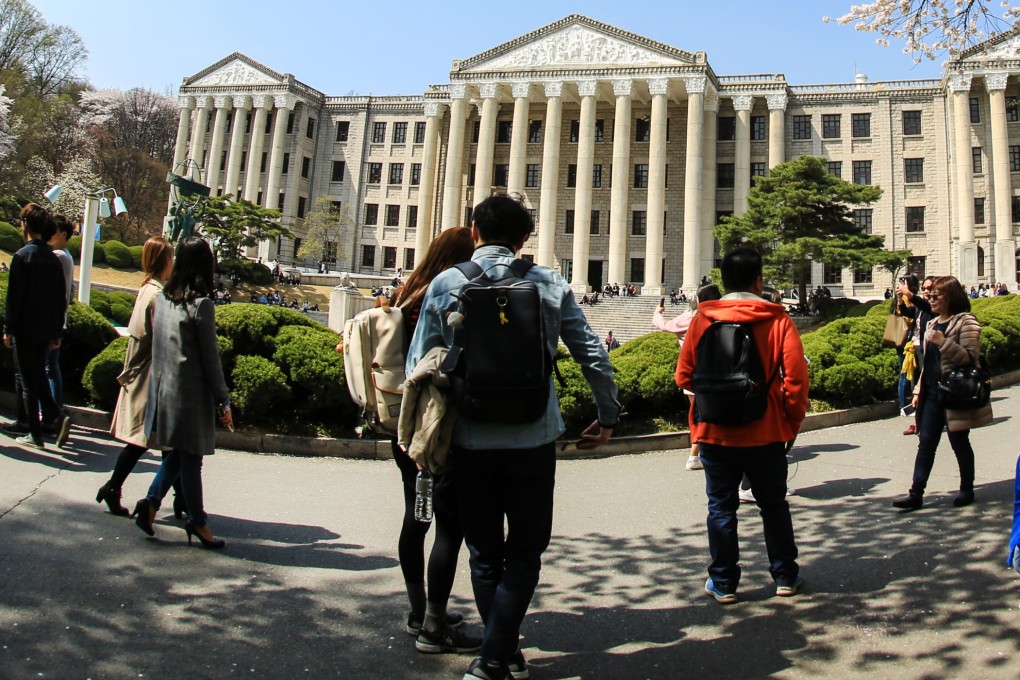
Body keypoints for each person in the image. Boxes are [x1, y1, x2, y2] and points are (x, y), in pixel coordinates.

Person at [407, 194, 620, 680]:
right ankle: (498, 655)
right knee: (524, 552)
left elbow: (418, 367)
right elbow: (592, 354)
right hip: (532, 438)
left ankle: (497, 654)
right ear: (525, 239)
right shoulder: (547, 282)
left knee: (483, 553)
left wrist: (419, 439)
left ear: (475, 232)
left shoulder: (446, 282)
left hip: (469, 437)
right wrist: (607, 416)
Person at [676, 247, 810, 604]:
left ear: (723, 281)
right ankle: (785, 576)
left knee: (720, 507)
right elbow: (796, 379)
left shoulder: (703, 319)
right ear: (759, 281)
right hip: (765, 430)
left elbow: (683, 375)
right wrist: (790, 423)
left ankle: (723, 582)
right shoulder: (776, 318)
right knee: (774, 506)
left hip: (714, 432)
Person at [387, 227, 477, 653]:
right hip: (435, 424)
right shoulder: (442, 296)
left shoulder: (407, 291)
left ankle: (417, 610)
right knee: (447, 524)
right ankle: (434, 626)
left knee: (415, 517)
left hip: (405, 423)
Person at [133, 236, 233, 549]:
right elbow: (211, 359)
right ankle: (197, 520)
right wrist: (223, 401)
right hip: (190, 392)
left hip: (165, 388)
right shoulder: (201, 305)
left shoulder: (164, 297)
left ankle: (150, 503)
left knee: (179, 453)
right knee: (191, 458)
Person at [96, 237, 179, 517]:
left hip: (143, 373)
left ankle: (116, 487)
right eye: (171, 257)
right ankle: (179, 499)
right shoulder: (158, 296)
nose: (174, 263)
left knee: (156, 441)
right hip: (150, 376)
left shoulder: (147, 289)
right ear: (163, 261)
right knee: (163, 442)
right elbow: (164, 340)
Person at [893, 276, 991, 511]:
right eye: (930, 295)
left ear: (951, 297)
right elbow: (929, 363)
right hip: (932, 394)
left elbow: (969, 358)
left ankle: (966, 488)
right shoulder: (931, 323)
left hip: (955, 393)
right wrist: (918, 389)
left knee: (959, 442)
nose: (931, 299)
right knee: (926, 443)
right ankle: (916, 493)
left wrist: (943, 341)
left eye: (936, 295)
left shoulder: (966, 322)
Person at [3, 204, 68, 451]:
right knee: (38, 374)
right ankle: (55, 415)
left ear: (26, 225)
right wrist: (57, 331)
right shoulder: (52, 259)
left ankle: (35, 434)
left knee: (28, 380)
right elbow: (59, 298)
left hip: (25, 328)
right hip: (45, 328)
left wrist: (9, 327)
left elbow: (15, 297)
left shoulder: (23, 256)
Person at [653, 282, 721, 471]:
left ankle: (698, 454)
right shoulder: (720, 318)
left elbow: (664, 325)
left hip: (692, 375)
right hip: (716, 375)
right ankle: (698, 455)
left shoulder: (691, 318)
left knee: (698, 415)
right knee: (710, 417)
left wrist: (657, 313)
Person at [44, 215, 74, 448]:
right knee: (51, 368)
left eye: (52, 231)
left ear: (63, 234)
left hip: (51, 321)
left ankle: (53, 416)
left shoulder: (58, 256)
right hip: (59, 320)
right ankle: (57, 412)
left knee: (45, 369)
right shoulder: (67, 257)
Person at [897, 276, 934, 435]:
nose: (926, 291)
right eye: (924, 288)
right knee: (916, 387)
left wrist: (910, 294)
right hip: (916, 349)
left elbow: (924, 305)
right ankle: (919, 422)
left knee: (926, 387)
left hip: (929, 351)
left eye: (929, 288)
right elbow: (907, 311)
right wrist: (900, 298)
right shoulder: (919, 307)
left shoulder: (934, 306)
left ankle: (928, 421)